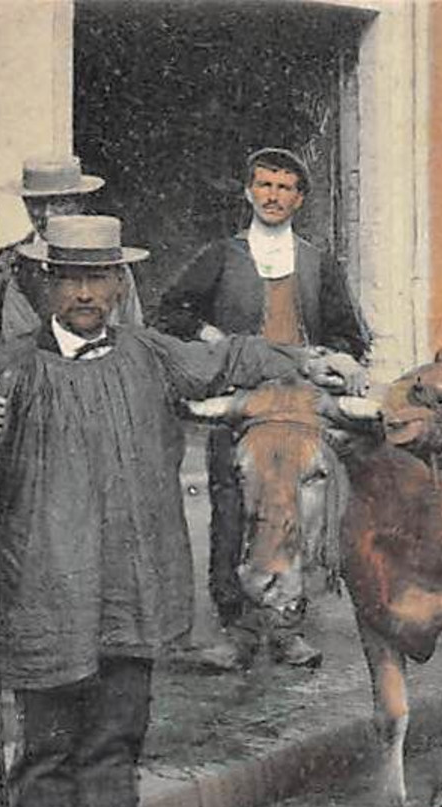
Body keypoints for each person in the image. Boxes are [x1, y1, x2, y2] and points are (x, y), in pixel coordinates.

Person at [0, 215, 364, 807]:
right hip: (46, 598)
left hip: (127, 588)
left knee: (116, 744)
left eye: (101, 277)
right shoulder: (10, 368)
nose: (87, 292)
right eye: (71, 277)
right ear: (47, 283)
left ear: (120, 284)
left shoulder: (149, 356)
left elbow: (226, 362)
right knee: (48, 754)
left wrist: (303, 357)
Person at [155, 147, 371, 670]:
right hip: (241, 402)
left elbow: (347, 333)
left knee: (297, 509)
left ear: (299, 198)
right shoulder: (222, 256)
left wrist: (336, 357)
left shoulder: (317, 262)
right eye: (264, 185)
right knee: (234, 512)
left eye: (285, 187)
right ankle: (237, 630)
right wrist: (215, 339)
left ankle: (288, 625)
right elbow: (170, 313)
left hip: (298, 403)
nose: (273, 196)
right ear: (248, 192)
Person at [0, 156, 143, 397]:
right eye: (35, 203)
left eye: (58, 203)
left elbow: (134, 341)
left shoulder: (111, 265)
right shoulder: (8, 266)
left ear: (78, 203)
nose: (46, 214)